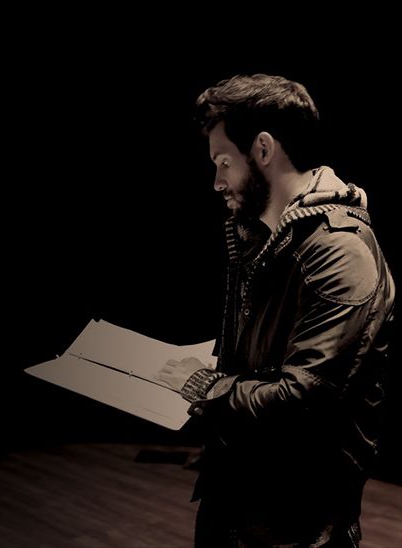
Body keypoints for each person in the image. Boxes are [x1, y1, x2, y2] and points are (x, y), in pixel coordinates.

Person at [155, 74, 396, 547]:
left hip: (295, 529)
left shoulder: (339, 252)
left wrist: (204, 385)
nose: (217, 182)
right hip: (242, 506)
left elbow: (302, 400)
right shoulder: (269, 239)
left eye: (224, 162)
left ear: (263, 149)